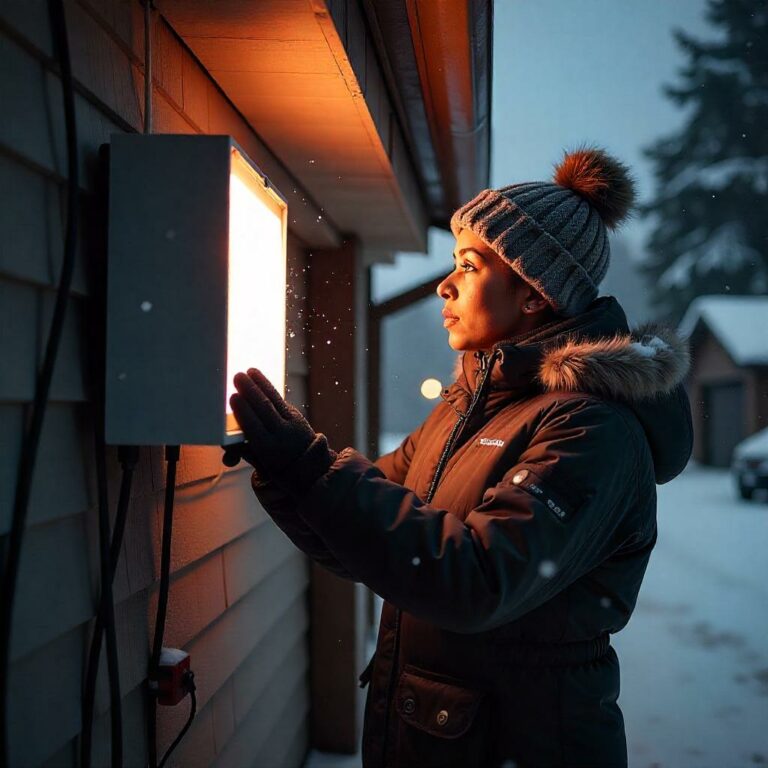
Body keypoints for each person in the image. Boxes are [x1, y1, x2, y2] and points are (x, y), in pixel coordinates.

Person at [227, 146, 693, 768]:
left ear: (534, 294)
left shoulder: (591, 430)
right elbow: (361, 540)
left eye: (469, 266)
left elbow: (475, 581)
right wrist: (289, 474)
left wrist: (312, 471)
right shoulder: (467, 406)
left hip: (521, 746)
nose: (445, 283)